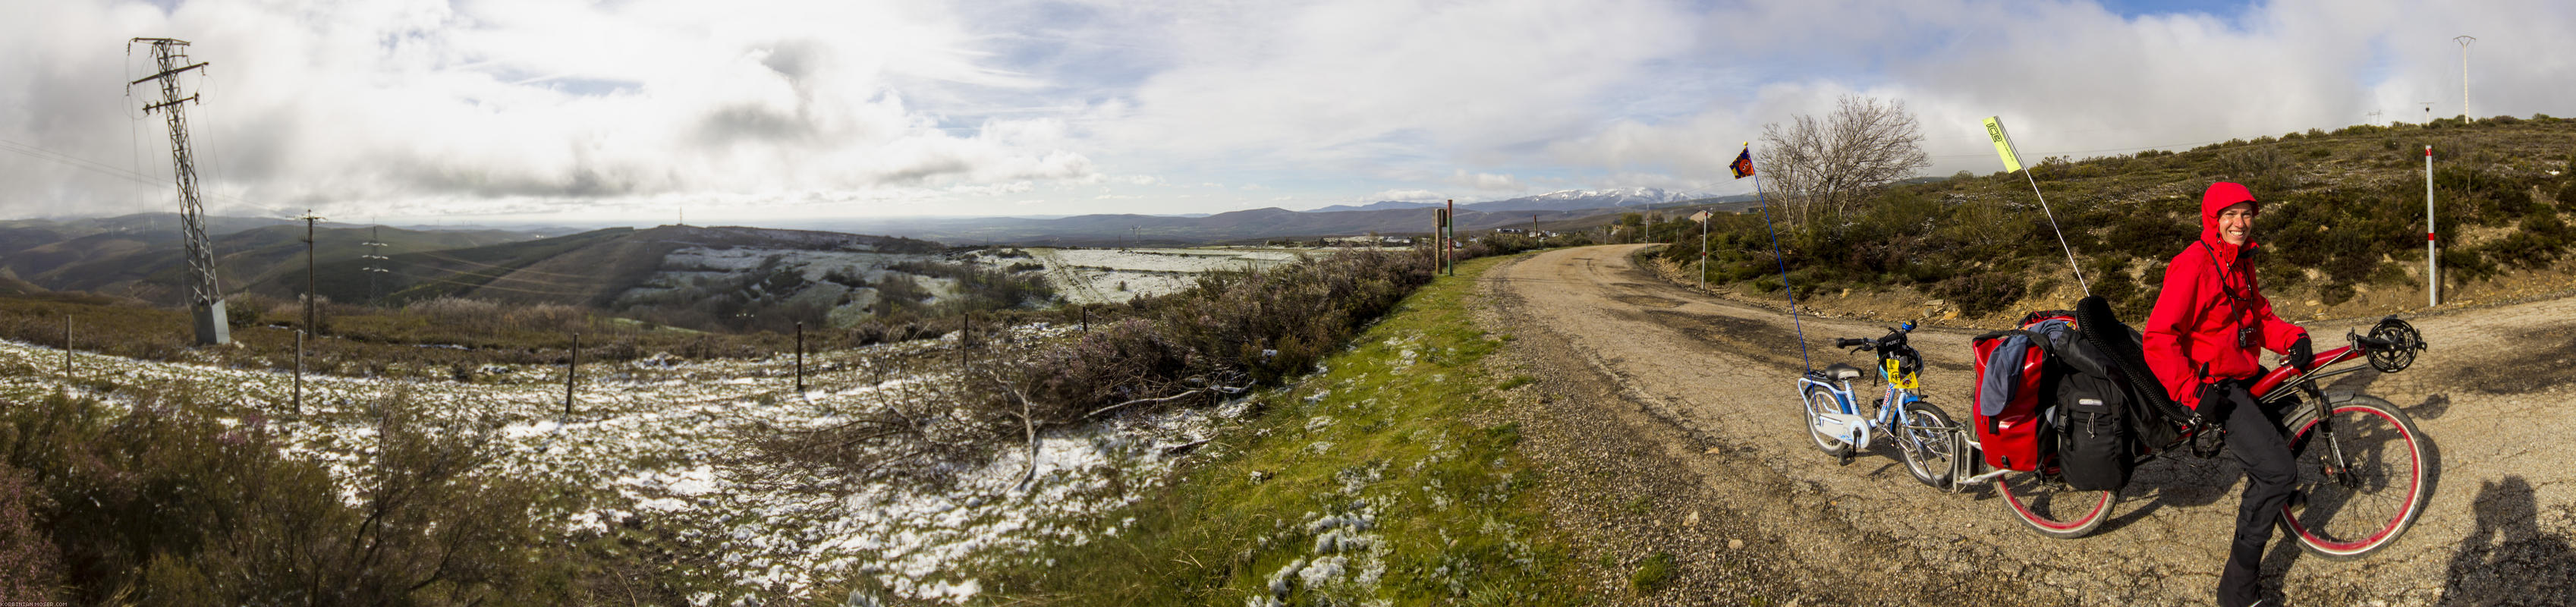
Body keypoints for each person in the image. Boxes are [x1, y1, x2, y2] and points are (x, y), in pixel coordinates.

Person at [2142, 181, 2317, 607]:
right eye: (2230, 215)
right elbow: (2158, 338)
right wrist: (2192, 392)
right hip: (2213, 384)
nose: (2239, 223)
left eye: (2246, 214)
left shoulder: (2239, 260)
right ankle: (2236, 593)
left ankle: (2269, 486)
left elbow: (2257, 316)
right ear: (2212, 219)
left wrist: (2292, 337)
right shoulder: (2194, 265)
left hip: (2238, 368)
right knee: (2278, 471)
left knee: (2298, 416)